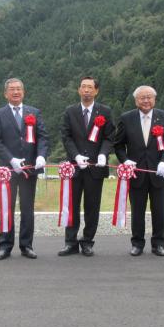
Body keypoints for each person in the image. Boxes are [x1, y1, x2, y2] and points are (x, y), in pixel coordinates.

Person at [0, 78, 49, 260]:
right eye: (12, 89)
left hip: (29, 169)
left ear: (23, 92)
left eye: (18, 89)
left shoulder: (34, 112)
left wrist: (41, 156)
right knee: (7, 208)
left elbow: (43, 138)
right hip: (8, 170)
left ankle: (26, 245)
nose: (15, 92)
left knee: (27, 208)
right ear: (5, 93)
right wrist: (11, 159)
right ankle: (5, 246)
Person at [114, 85, 164, 256]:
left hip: (158, 173)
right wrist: (125, 160)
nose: (146, 100)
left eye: (149, 97)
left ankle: (158, 244)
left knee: (159, 210)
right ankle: (137, 244)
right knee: (137, 211)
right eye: (142, 98)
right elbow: (118, 145)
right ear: (136, 101)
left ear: (154, 99)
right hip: (136, 173)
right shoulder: (127, 118)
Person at [59, 76, 115, 257]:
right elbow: (66, 137)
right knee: (72, 206)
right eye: (83, 87)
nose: (86, 90)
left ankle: (88, 242)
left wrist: (103, 154)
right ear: (78, 90)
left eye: (90, 87)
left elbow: (109, 137)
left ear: (96, 91)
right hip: (74, 168)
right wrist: (75, 155)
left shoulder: (105, 111)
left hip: (95, 168)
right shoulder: (70, 111)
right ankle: (70, 242)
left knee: (92, 207)